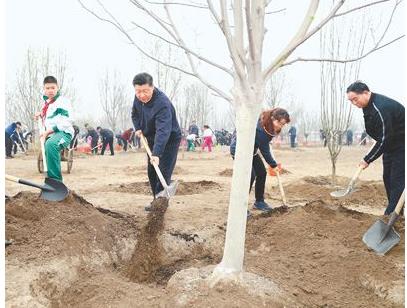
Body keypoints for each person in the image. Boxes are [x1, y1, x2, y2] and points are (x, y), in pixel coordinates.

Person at [347, 81, 404, 215]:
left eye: (355, 99)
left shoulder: (381, 108)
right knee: (388, 178)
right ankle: (397, 212)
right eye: (351, 101)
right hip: (391, 146)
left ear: (366, 93)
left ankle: (391, 216)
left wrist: (368, 159)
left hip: (402, 146)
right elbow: (382, 138)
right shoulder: (369, 106)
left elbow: (384, 139)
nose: (354, 103)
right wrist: (368, 157)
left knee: (397, 182)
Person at [131, 72, 181, 211]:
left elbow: (163, 130)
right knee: (152, 172)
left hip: (169, 139)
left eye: (145, 91)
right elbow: (134, 114)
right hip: (152, 139)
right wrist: (138, 128)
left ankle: (160, 207)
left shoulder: (162, 103)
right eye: (138, 91)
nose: (141, 95)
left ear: (152, 87)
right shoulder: (138, 98)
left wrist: (157, 154)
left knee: (163, 171)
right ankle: (156, 201)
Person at [230, 108, 290, 214]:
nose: (280, 126)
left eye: (283, 124)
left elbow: (264, 144)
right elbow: (265, 150)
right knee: (250, 175)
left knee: (261, 172)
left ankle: (259, 201)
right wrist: (273, 164)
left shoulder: (267, 123)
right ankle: (240, 206)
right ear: (272, 118)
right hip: (240, 151)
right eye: (279, 123)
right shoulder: (260, 129)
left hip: (251, 150)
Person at [34, 76, 74, 181]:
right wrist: (41, 114)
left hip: (64, 133)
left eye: (53, 88)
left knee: (51, 144)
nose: (50, 90)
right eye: (47, 88)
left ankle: (56, 182)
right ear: (44, 89)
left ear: (57, 88)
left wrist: (49, 131)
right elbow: (50, 118)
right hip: (51, 134)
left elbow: (68, 121)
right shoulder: (47, 104)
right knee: (47, 149)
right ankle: (50, 182)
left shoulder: (63, 102)